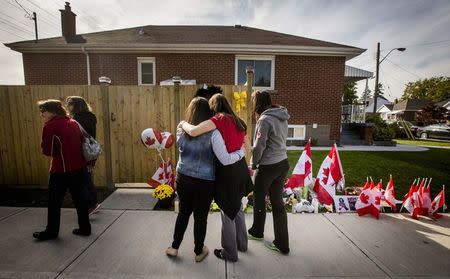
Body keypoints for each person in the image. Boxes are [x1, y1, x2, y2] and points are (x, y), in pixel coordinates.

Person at [166, 97, 245, 263]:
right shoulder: (214, 133)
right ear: (208, 113)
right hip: (205, 181)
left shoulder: (181, 130)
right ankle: (198, 251)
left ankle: (174, 247)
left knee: (183, 213)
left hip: (183, 177)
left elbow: (182, 145)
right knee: (200, 218)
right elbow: (222, 157)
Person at [33, 99, 91, 240]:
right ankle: (85, 229)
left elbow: (49, 151)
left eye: (43, 111)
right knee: (80, 200)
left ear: (52, 111)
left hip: (61, 170)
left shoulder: (50, 126)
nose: (42, 115)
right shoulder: (73, 123)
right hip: (79, 168)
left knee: (54, 202)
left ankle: (51, 232)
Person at [248, 90, 290, 254]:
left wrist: (253, 163)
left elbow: (259, 146)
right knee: (278, 203)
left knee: (259, 199)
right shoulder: (282, 116)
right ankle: (282, 243)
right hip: (282, 163)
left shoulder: (265, 119)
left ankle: (257, 232)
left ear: (257, 103)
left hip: (268, 166)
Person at [65, 96, 100, 215]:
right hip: (90, 151)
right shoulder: (90, 117)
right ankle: (93, 203)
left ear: (76, 105)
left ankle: (91, 204)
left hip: (81, 152)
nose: (67, 107)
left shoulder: (77, 119)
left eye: (69, 104)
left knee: (82, 180)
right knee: (87, 178)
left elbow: (77, 137)